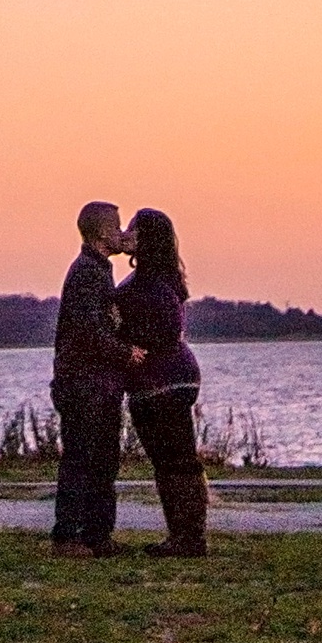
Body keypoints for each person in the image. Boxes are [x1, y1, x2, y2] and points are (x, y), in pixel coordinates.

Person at [116, 206, 209, 552]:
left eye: (133, 229)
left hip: (160, 381)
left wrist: (126, 340)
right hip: (177, 375)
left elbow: (162, 330)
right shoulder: (166, 280)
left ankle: (186, 537)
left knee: (172, 461)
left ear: (147, 239)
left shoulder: (147, 285)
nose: (126, 233)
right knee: (179, 459)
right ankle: (188, 533)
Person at [49, 198, 130, 554]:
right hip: (85, 384)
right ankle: (69, 536)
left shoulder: (97, 270)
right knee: (83, 459)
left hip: (97, 383)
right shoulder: (86, 272)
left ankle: (97, 536)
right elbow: (88, 331)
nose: (123, 232)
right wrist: (125, 352)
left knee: (102, 460)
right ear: (101, 232)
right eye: (117, 226)